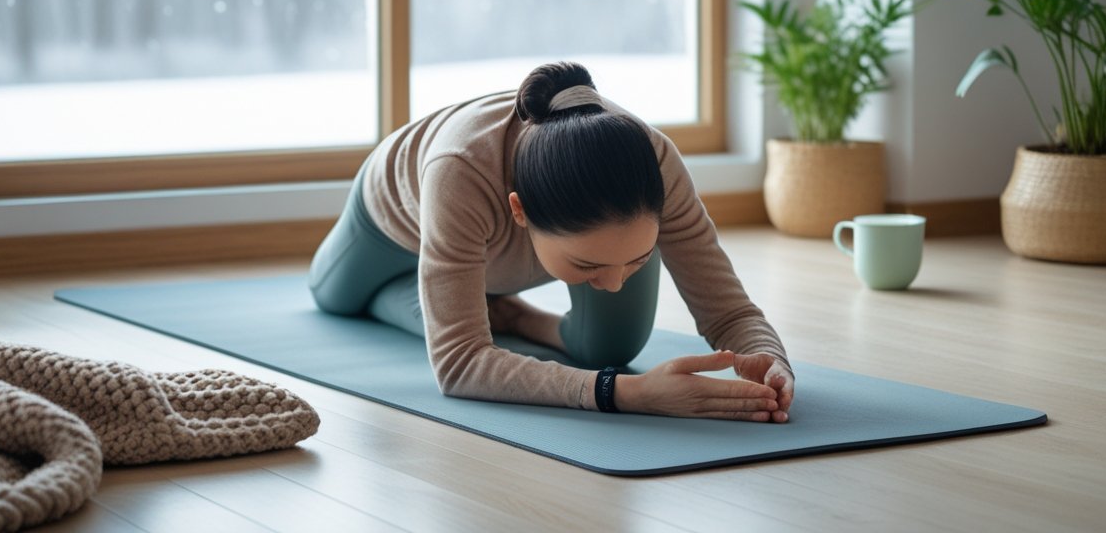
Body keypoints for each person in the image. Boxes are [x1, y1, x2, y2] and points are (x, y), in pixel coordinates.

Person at [308, 61, 794, 421]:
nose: (614, 284)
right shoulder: (459, 171)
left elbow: (728, 311)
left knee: (608, 347)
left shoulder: (655, 163)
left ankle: (511, 314)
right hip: (393, 220)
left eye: (637, 259)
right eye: (589, 267)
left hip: (513, 240)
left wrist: (772, 362)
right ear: (519, 211)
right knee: (333, 297)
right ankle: (438, 299)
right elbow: (459, 365)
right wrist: (625, 393)